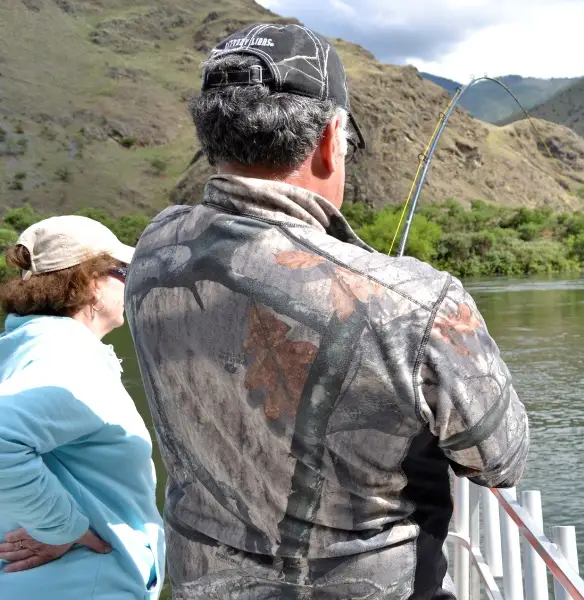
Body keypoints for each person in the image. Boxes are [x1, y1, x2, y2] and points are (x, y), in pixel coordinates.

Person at [124, 22, 529, 600]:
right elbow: (502, 458)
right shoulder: (417, 303)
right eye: (347, 144)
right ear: (328, 138)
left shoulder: (155, 250)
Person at [0, 215, 165, 599]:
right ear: (90, 284)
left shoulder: (21, 350)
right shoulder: (68, 356)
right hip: (80, 584)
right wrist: (60, 529)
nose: (131, 281)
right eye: (124, 271)